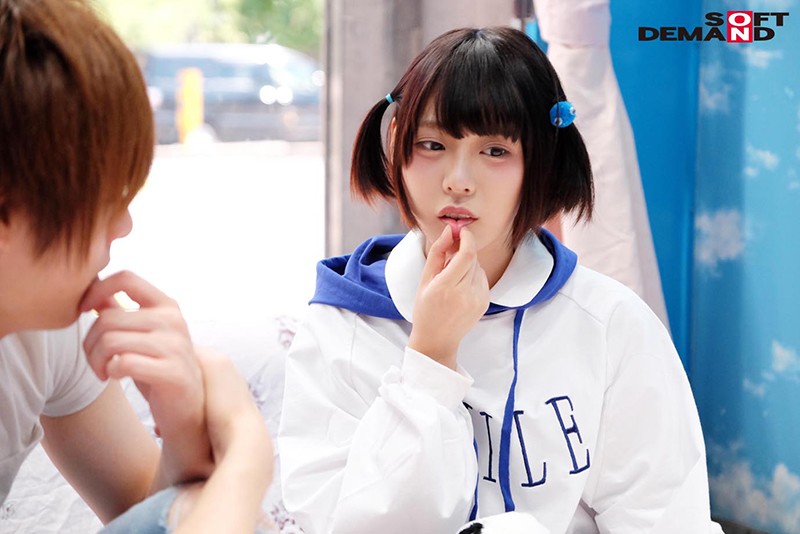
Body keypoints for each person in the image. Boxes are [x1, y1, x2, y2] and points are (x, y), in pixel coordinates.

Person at [278, 27, 722, 533]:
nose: (458, 181)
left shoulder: (610, 324)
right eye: (431, 144)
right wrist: (430, 358)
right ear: (397, 141)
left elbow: (664, 519)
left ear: (542, 160)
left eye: (494, 151)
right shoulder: (341, 326)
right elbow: (344, 524)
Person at [0, 0, 272, 531]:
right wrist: (244, 453)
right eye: (104, 198)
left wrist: (183, 426)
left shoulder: (47, 331)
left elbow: (151, 512)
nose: (123, 224)